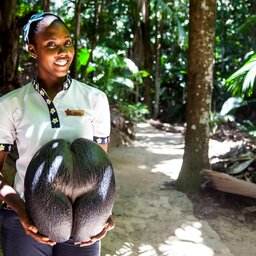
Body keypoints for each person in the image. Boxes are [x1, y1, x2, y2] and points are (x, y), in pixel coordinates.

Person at [0, 12, 114, 256]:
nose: (64, 52)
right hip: (25, 219)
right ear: (32, 49)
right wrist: (19, 209)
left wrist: (104, 210)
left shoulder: (95, 99)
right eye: (51, 44)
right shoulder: (11, 104)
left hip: (84, 221)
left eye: (68, 42)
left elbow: (100, 167)